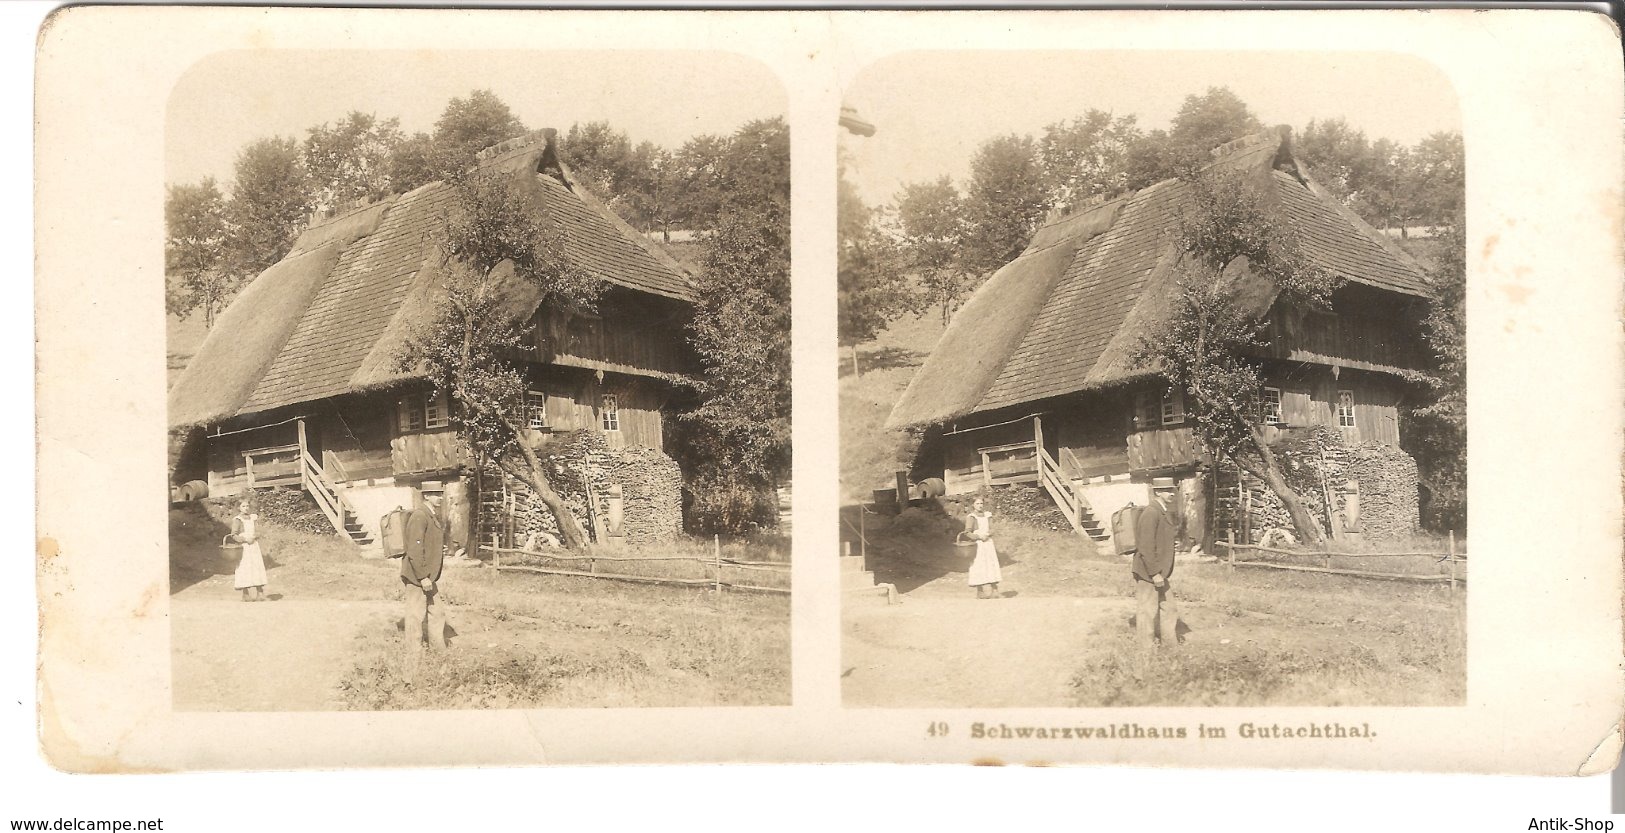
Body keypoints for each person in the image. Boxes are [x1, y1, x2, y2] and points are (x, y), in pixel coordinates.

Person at [401, 491, 449, 678]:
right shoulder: (419, 516)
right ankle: (412, 667)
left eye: (441, 494)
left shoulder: (430, 515)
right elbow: (414, 548)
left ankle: (440, 656)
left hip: (428, 577)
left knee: (437, 613)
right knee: (415, 618)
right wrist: (422, 577)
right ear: (427, 496)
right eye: (437, 495)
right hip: (418, 578)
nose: (441, 498)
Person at [1132, 490, 1181, 652]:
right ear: (1158, 492)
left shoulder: (1162, 511)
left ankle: (1170, 647)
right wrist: (1154, 573)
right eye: (1167, 490)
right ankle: (1145, 652)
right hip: (1149, 573)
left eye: (1173, 489)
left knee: (1169, 608)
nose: (1172, 493)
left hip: (1160, 571)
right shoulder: (1150, 513)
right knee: (1147, 611)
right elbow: (1145, 547)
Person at [963, 497, 1003, 599]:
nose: (980, 505)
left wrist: (988, 534)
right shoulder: (971, 517)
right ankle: (980, 591)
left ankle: (994, 590)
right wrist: (978, 537)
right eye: (977, 503)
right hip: (978, 544)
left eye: (981, 503)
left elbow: (992, 528)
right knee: (979, 566)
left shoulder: (988, 515)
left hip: (988, 543)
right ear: (973, 505)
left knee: (991, 564)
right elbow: (967, 532)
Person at [229, 499, 267, 602]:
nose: (246, 508)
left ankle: (260, 592)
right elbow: (234, 535)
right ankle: (245, 594)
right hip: (244, 547)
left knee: (256, 566)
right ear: (239, 508)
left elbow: (258, 531)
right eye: (243, 506)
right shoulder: (237, 519)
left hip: (254, 546)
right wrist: (245, 540)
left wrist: (255, 537)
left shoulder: (253, 518)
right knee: (245, 568)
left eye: (247, 506)